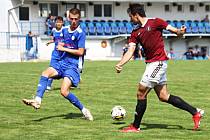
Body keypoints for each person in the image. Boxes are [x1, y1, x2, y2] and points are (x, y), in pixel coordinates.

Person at [115, 4, 204, 132]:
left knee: (141, 92)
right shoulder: (135, 32)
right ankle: (195, 112)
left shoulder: (156, 22)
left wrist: (181, 31)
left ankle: (135, 126)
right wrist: (120, 63)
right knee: (163, 96)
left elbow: (175, 31)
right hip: (151, 64)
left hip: (159, 62)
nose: (130, 20)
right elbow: (130, 51)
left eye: (131, 17)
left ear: (136, 15)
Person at [22, 8, 93, 121]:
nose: (74, 21)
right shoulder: (64, 30)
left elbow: (80, 52)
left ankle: (84, 110)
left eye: (76, 19)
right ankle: (37, 101)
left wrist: (63, 47)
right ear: (68, 18)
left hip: (73, 66)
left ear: (79, 19)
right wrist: (58, 44)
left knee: (64, 92)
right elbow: (62, 41)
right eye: (72, 19)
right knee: (45, 73)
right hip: (62, 62)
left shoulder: (81, 33)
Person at [45, 16, 65, 90]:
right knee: (52, 68)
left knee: (65, 69)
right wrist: (50, 42)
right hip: (55, 54)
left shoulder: (65, 30)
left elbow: (68, 41)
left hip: (63, 54)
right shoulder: (53, 30)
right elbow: (54, 39)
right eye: (57, 22)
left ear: (62, 23)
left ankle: (71, 83)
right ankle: (48, 86)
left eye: (60, 22)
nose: (58, 23)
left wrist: (64, 45)